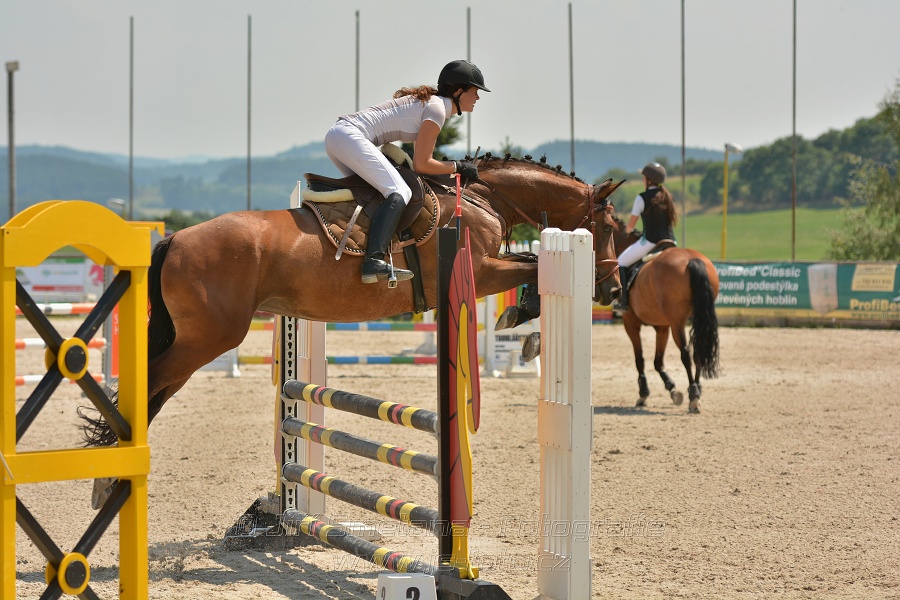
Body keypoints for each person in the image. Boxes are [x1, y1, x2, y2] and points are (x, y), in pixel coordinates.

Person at [324, 60, 489, 284]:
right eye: (475, 91)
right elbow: (422, 164)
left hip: (341, 137)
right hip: (349, 136)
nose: (478, 97)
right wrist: (458, 167)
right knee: (400, 190)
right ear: (459, 91)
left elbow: (421, 163)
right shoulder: (437, 109)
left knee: (376, 194)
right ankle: (373, 260)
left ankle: (359, 251)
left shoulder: (434, 105)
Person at [617, 162, 678, 309]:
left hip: (651, 242)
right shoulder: (668, 196)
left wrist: (626, 232)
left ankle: (623, 303)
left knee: (620, 263)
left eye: (643, 177)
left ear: (649, 180)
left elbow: (631, 225)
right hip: (671, 241)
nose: (642, 179)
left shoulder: (642, 198)